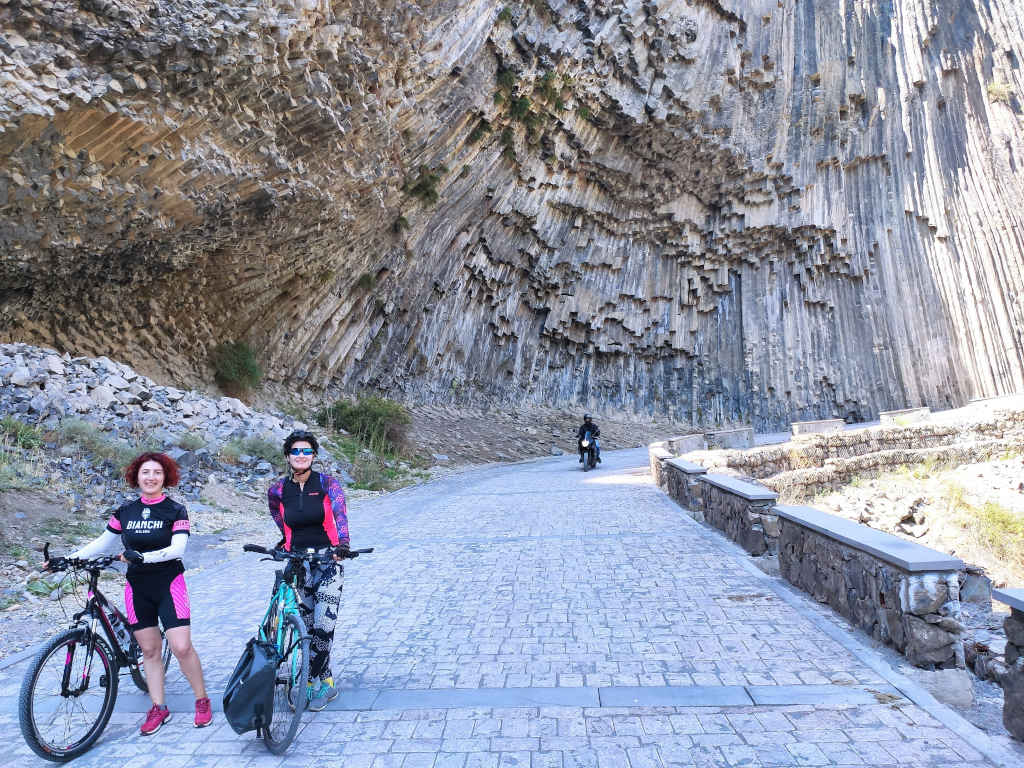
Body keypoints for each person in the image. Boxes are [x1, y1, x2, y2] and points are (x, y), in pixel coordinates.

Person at [48, 452, 212, 735]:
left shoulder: (175, 510)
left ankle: (201, 699)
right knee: (149, 650)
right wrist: (67, 559)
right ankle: (158, 707)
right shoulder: (126, 511)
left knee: (181, 647)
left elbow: (177, 550)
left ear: (165, 478)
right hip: (136, 586)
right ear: (136, 477)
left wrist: (143, 558)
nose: (151, 477)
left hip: (169, 584)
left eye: (157, 473)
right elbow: (102, 543)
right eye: (145, 472)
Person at [266, 429, 350, 711]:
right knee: (306, 628)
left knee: (323, 628)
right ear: (287, 456)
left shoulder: (328, 484)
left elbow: (340, 514)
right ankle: (320, 678)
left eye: (306, 451)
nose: (301, 456)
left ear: (313, 455)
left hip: (328, 563)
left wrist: (344, 544)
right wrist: (285, 541)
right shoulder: (277, 490)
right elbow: (279, 517)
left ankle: (317, 684)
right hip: (298, 565)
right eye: (295, 451)